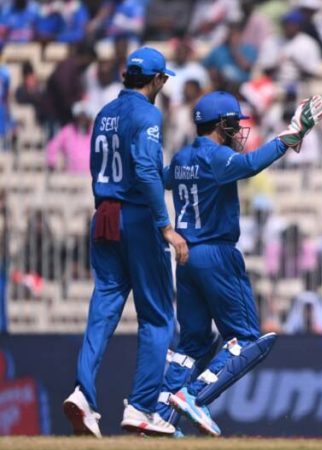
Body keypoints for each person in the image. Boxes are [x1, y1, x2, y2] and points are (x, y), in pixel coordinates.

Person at [157, 91, 322, 436]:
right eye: (234, 124)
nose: (237, 131)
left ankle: (160, 415)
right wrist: (291, 135)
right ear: (221, 124)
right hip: (217, 254)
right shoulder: (216, 156)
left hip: (186, 257)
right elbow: (249, 165)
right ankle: (195, 395)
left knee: (191, 344)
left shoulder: (183, 155)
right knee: (247, 337)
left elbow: (162, 179)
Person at [62, 47, 188, 438]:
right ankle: (141, 406)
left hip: (104, 213)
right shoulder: (147, 114)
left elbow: (103, 168)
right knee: (157, 316)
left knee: (102, 308)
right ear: (158, 80)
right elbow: (146, 171)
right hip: (136, 217)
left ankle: (83, 393)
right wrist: (165, 226)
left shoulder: (104, 113)